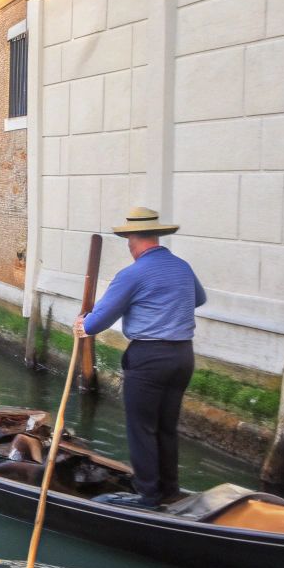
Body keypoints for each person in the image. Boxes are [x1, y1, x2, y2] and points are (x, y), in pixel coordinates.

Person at [75, 207, 206, 510]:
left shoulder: (132, 274)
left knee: (142, 428)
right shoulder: (182, 267)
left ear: (131, 240)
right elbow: (198, 299)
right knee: (166, 427)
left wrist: (81, 324)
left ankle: (149, 496)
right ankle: (169, 490)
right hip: (183, 356)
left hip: (149, 357)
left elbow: (96, 323)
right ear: (158, 236)